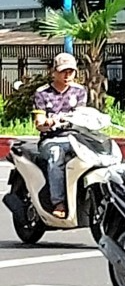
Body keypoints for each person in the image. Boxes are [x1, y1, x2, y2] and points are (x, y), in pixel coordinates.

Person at [31, 52, 89, 218]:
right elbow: (39, 122)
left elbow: (82, 114)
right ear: (53, 72)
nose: (67, 75)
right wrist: (45, 124)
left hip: (75, 138)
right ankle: (58, 202)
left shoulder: (79, 91)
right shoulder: (42, 93)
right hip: (52, 139)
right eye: (63, 71)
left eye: (71, 71)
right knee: (56, 156)